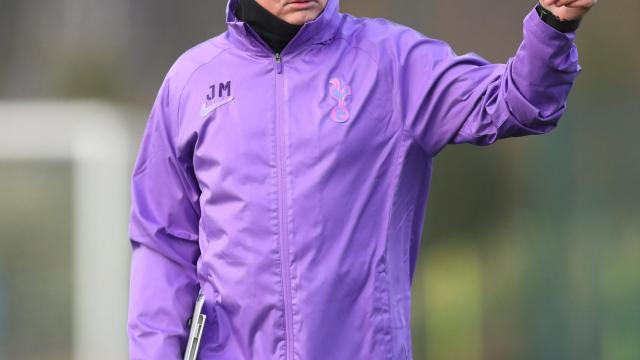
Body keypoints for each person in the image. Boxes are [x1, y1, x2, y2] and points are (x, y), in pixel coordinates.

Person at [126, 0, 597, 358]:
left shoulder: (390, 62)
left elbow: (516, 102)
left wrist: (553, 25)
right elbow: (162, 242)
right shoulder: (190, 81)